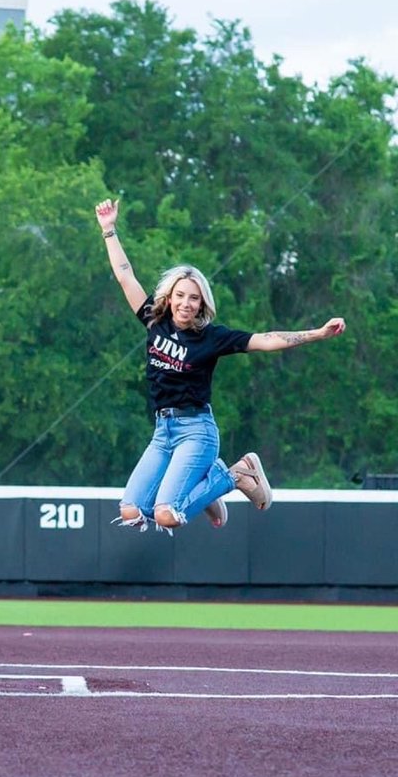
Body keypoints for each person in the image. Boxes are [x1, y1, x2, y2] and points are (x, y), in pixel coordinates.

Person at [95, 197, 346, 531]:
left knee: (167, 515)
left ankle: (236, 474)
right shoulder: (155, 322)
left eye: (194, 298)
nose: (186, 303)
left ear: (202, 305)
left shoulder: (211, 338)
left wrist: (317, 333)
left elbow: (267, 339)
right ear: (169, 298)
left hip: (196, 431)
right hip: (163, 432)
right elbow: (126, 276)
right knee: (131, 511)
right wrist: (109, 230)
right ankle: (207, 484)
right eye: (181, 295)